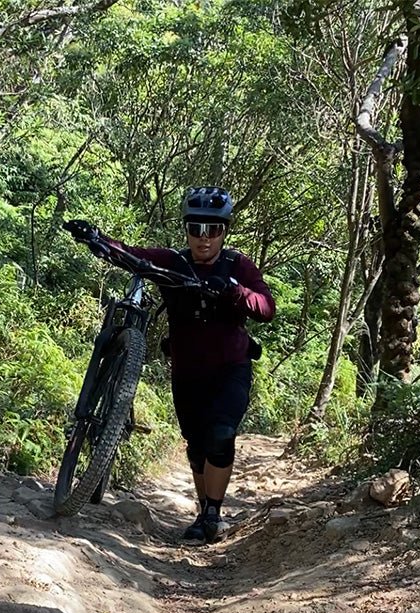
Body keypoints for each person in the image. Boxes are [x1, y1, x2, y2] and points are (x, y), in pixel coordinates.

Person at [65, 186, 275, 543]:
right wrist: (97, 239)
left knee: (221, 436)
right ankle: (202, 510)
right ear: (187, 229)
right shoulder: (174, 263)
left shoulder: (237, 266)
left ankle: (212, 514)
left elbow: (267, 307)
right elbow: (132, 255)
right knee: (196, 445)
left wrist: (234, 291)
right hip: (187, 370)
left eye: (212, 230)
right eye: (196, 229)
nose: (203, 238)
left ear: (225, 231)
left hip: (231, 367)